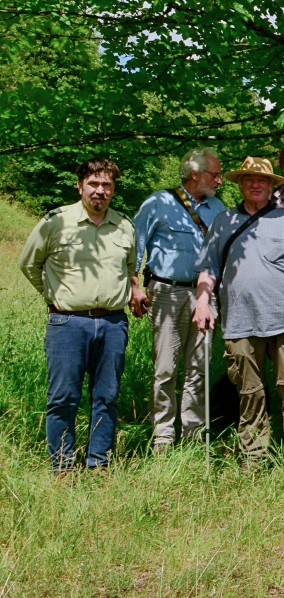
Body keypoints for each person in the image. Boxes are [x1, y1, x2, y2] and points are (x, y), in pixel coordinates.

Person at [20, 157, 145, 472]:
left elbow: (130, 269)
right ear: (80, 186)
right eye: (93, 184)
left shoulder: (125, 226)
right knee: (63, 398)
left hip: (114, 323)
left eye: (107, 185)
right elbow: (29, 264)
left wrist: (135, 289)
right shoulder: (56, 222)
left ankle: (98, 463)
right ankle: (62, 465)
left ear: (113, 189)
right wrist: (54, 295)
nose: (100, 191)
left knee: (107, 397)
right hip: (67, 323)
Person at [193, 156, 284, 467]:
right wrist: (203, 301)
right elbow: (208, 268)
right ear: (240, 184)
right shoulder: (224, 222)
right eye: (248, 179)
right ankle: (254, 457)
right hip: (239, 322)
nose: (255, 184)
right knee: (250, 393)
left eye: (262, 180)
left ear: (273, 185)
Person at [132, 147, 226, 453]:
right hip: (167, 292)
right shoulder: (158, 203)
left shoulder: (218, 208)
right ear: (196, 174)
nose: (220, 181)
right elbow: (134, 245)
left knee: (199, 368)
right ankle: (162, 436)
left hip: (206, 295)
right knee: (165, 368)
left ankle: (193, 434)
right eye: (215, 174)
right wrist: (134, 286)